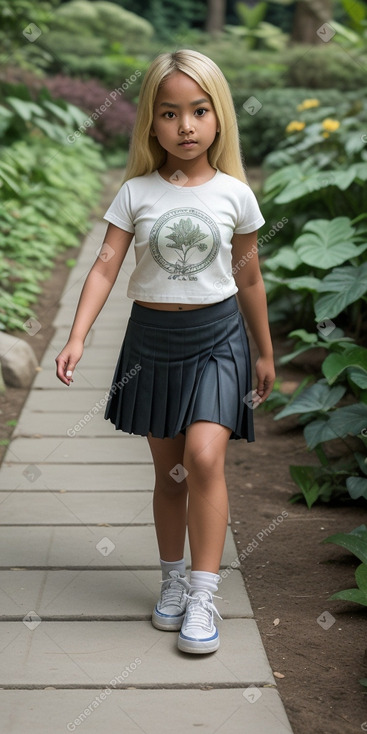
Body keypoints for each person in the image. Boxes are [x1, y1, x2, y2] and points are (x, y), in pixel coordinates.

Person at [55, 49, 275, 655]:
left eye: (199, 110)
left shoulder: (236, 195)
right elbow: (102, 269)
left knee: (205, 457)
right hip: (152, 341)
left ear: (218, 117)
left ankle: (205, 595)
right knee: (171, 472)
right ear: (150, 122)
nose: (185, 125)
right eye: (170, 112)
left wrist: (264, 350)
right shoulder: (136, 193)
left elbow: (249, 278)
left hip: (219, 338)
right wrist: (77, 335)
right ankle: (173, 581)